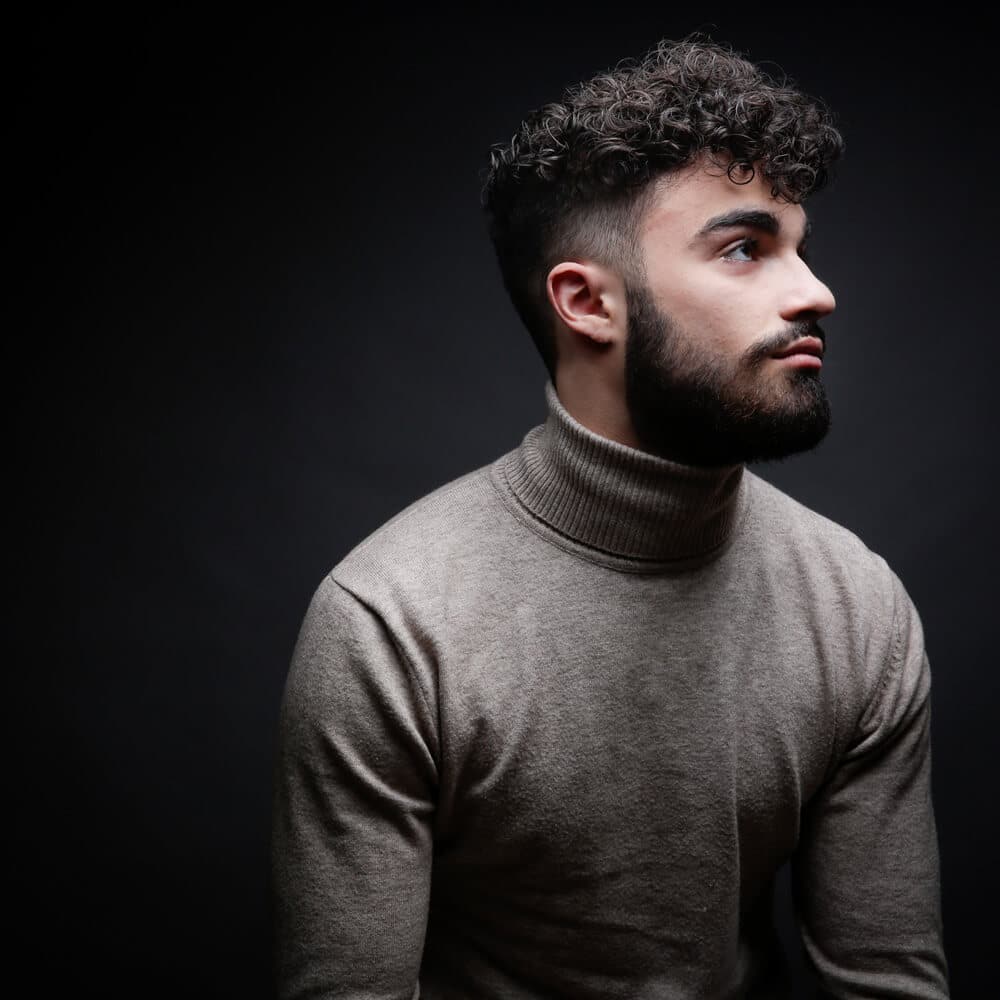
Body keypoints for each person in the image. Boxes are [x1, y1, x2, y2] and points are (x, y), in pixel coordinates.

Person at [270, 33, 949, 999]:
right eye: (746, 249)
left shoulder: (856, 606)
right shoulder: (390, 625)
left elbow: (890, 984)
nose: (816, 292)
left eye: (800, 248)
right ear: (587, 302)